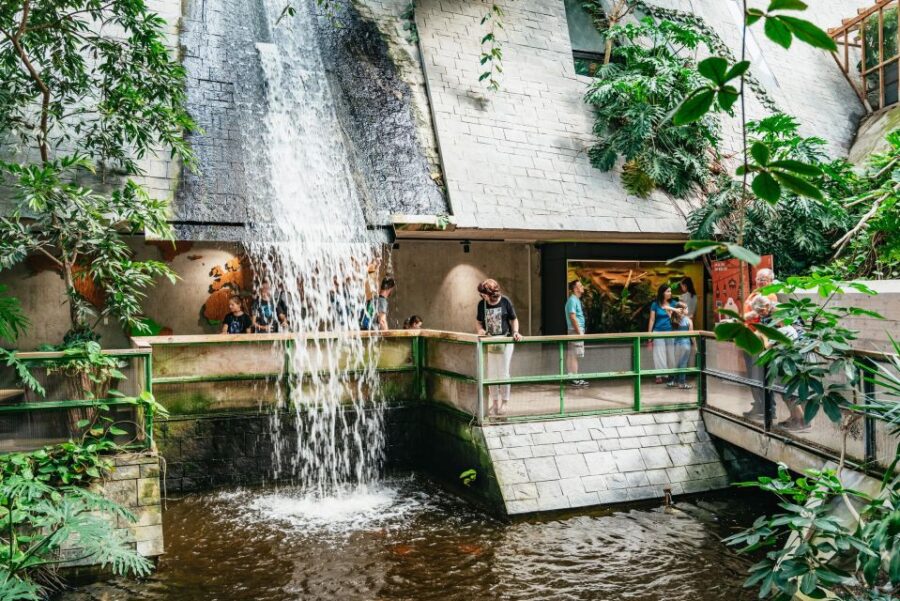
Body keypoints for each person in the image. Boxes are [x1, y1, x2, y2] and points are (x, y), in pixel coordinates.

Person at [475, 279, 522, 417]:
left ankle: (504, 402)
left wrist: (515, 332)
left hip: (505, 339)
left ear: (486, 294)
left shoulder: (505, 301)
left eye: (482, 294)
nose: (481, 296)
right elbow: (478, 322)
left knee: (503, 371)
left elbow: (514, 319)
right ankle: (495, 402)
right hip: (489, 341)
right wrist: (480, 330)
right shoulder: (482, 304)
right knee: (491, 372)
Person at [741, 268, 778, 419]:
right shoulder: (754, 293)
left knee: (761, 375)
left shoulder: (770, 295)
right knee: (752, 376)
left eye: (764, 279)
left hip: (759, 341)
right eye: (758, 278)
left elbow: (759, 314)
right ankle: (759, 405)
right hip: (749, 339)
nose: (760, 281)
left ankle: (769, 409)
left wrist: (740, 319)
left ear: (770, 281)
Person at [648, 284, 676, 384]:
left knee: (671, 354)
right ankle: (659, 375)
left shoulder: (673, 303)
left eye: (670, 291)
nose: (670, 293)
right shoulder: (655, 304)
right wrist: (649, 335)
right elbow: (652, 319)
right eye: (668, 291)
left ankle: (671, 374)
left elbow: (683, 311)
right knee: (659, 354)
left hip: (669, 331)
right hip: (657, 331)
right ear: (662, 292)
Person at [565, 280, 589, 388]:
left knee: (572, 354)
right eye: (580, 285)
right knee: (574, 355)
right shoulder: (573, 300)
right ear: (575, 289)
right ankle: (574, 379)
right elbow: (572, 316)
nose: (583, 287)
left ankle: (572, 377)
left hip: (574, 330)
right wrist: (579, 332)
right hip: (575, 331)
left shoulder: (575, 300)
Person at [670, 302, 694, 389]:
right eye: (686, 308)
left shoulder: (674, 319)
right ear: (682, 310)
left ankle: (675, 381)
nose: (688, 309)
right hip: (686, 344)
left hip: (676, 344)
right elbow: (692, 335)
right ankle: (682, 383)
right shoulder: (688, 320)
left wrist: (674, 310)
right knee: (683, 363)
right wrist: (695, 346)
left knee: (678, 363)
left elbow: (665, 308)